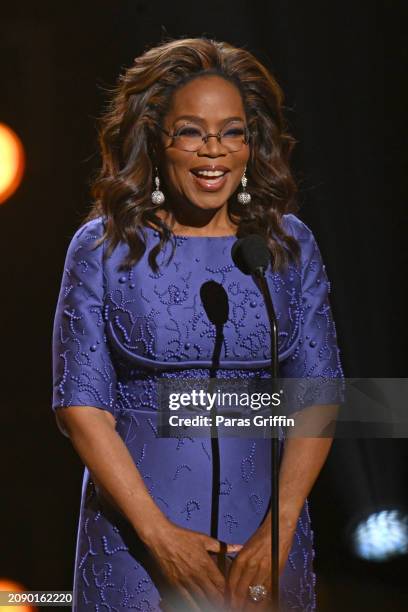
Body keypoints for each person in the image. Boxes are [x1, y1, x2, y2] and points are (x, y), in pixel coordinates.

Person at [52, 37, 343, 611]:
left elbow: (321, 395)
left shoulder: (287, 246)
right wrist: (163, 540)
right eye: (191, 130)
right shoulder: (105, 249)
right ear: (157, 142)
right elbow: (80, 407)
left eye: (232, 131)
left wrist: (276, 535)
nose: (214, 151)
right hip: (136, 548)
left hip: (267, 545)